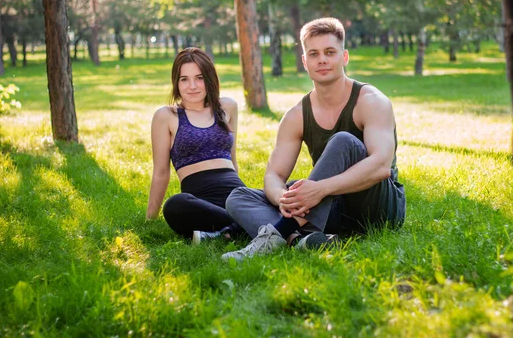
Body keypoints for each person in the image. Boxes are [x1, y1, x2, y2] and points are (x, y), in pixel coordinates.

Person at [221, 17, 406, 261]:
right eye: (314, 54)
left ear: (345, 57)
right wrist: (283, 199)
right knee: (240, 196)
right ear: (305, 61)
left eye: (330, 52)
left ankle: (277, 235)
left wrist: (320, 189)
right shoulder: (296, 115)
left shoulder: (371, 101)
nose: (322, 60)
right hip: (332, 208)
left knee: (343, 141)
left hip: (378, 207)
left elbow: (381, 166)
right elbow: (274, 175)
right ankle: (302, 240)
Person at [146, 47, 246, 243]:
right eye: (184, 79)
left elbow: (232, 160)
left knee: (289, 190)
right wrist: (150, 219)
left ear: (209, 79)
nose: (192, 86)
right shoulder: (166, 116)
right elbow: (161, 172)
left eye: (199, 78)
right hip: (200, 203)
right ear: (176, 82)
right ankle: (248, 226)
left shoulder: (227, 107)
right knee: (175, 205)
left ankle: (228, 231)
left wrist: (247, 198)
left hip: (235, 195)